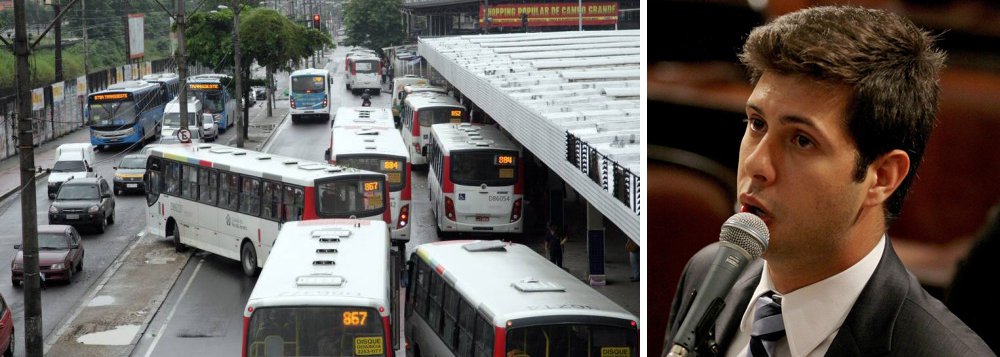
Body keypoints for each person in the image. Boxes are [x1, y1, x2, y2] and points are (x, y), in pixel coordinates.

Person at [662, 6, 993, 357]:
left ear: (882, 176)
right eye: (757, 124)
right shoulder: (709, 273)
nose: (757, 164)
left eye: (802, 140)